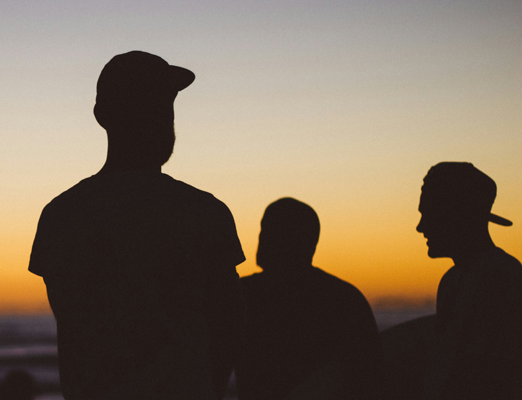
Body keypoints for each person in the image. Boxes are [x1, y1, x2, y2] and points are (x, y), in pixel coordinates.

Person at [28, 51, 245, 400]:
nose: (161, 118)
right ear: (104, 117)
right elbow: (228, 326)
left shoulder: (61, 215)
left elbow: (73, 324)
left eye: (165, 106)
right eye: (151, 106)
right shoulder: (203, 212)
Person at [238, 197, 382, 400]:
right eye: (264, 230)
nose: (262, 238)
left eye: (270, 231)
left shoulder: (243, 295)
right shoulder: (344, 298)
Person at [416, 162, 522, 399]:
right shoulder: (453, 280)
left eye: (429, 215)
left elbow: (492, 378)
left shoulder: (502, 279)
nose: (420, 227)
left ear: (458, 217)